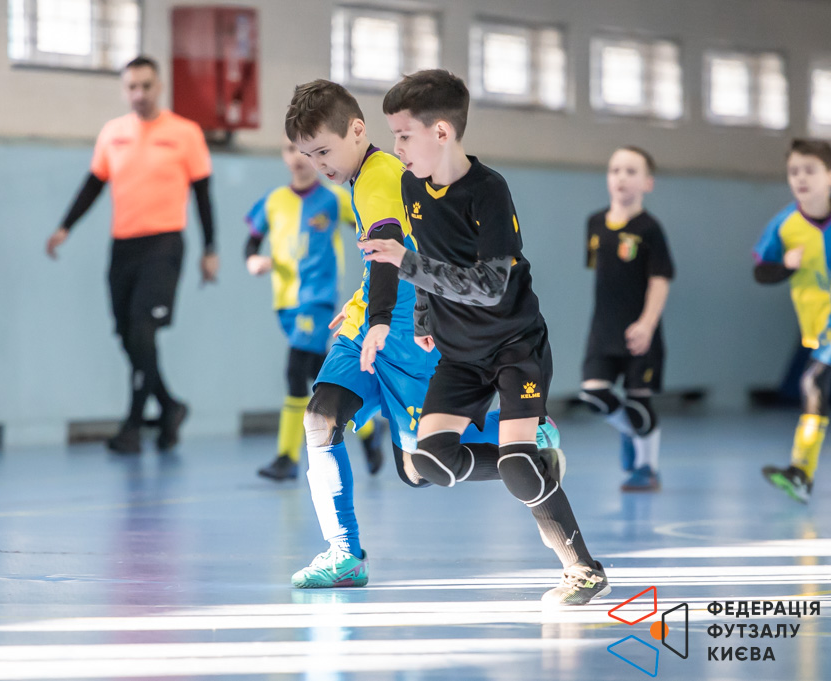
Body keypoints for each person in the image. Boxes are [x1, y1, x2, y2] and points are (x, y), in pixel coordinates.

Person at [283, 79, 563, 591]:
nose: (318, 164)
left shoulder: (379, 177)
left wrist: (379, 317)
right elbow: (386, 254)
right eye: (308, 155)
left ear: (357, 130)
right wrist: (362, 302)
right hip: (367, 327)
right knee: (322, 419)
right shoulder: (371, 176)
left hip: (403, 334)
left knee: (418, 467)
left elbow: (389, 247)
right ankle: (344, 554)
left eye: (323, 150)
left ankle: (526, 445)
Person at [367, 69, 609, 606]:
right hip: (460, 354)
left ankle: (584, 570)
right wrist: (424, 318)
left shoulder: (488, 191)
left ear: (441, 132)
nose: (396, 147)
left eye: (403, 135)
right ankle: (532, 462)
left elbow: (490, 286)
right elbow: (427, 254)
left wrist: (405, 263)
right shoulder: (411, 186)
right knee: (428, 462)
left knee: (517, 463)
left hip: (514, 347)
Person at [45, 56, 219, 455]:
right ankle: (170, 406)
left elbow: (203, 196)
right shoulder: (113, 133)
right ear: (125, 91)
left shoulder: (185, 133)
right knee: (127, 335)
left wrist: (210, 249)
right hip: (123, 247)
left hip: (164, 245)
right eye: (132, 87)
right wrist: (65, 227)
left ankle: (133, 425)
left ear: (159, 87)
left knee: (142, 331)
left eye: (146, 85)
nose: (139, 94)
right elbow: (93, 184)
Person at [244, 135, 384, 481]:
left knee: (295, 371)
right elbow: (252, 241)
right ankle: (368, 430)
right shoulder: (274, 201)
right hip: (286, 303)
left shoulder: (334, 199)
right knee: (318, 373)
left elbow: (368, 226)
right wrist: (253, 260)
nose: (297, 157)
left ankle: (287, 457)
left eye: (304, 150)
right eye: (289, 149)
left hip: (317, 299)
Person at [577, 147, 675, 492]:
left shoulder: (650, 229)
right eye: (615, 169)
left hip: (640, 330)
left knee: (639, 400)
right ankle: (630, 430)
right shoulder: (594, 223)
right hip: (603, 329)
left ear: (648, 183)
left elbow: (660, 279)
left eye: (631, 171)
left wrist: (647, 324)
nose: (621, 177)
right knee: (594, 393)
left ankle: (647, 469)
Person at [754, 139, 831, 503]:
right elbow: (761, 271)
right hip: (817, 329)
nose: (800, 177)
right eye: (794, 171)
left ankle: (801, 471)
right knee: (815, 389)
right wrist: (785, 266)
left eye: (810, 170)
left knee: (812, 382)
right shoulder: (784, 225)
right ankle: (801, 474)